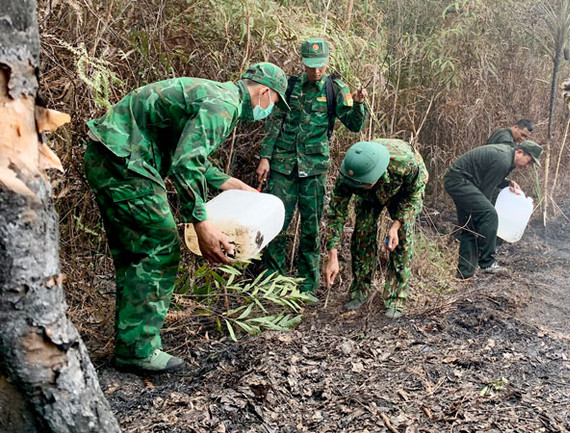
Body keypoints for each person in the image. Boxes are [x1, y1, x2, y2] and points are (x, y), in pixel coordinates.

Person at [84, 62, 289, 373]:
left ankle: (132, 344)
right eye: (274, 102)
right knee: (160, 247)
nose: (270, 110)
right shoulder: (224, 106)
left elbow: (185, 153)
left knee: (136, 252)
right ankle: (138, 350)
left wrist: (231, 183)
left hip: (111, 155)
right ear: (264, 91)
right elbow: (185, 165)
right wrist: (201, 223)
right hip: (127, 163)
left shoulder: (218, 95)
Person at [256, 38, 368, 298]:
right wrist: (265, 157)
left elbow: (353, 124)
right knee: (276, 223)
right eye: (310, 66)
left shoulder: (337, 89)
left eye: (319, 66)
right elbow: (275, 120)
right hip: (283, 165)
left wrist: (359, 103)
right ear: (302, 62)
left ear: (327, 62)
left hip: (314, 168)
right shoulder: (290, 86)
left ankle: (307, 285)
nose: (315, 71)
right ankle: (272, 282)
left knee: (310, 226)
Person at [323, 139, 428, 319]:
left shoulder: (406, 163)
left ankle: (396, 297)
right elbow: (336, 213)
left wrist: (396, 225)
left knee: (402, 238)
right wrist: (332, 254)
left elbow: (414, 197)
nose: (358, 188)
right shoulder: (349, 173)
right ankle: (360, 291)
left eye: (363, 184)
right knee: (362, 234)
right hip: (370, 197)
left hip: (401, 191)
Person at [444, 140, 543, 279]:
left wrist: (508, 183)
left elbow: (488, 177)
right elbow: (486, 191)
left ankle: (464, 275)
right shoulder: (503, 160)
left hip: (460, 181)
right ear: (520, 152)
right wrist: (486, 225)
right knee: (489, 213)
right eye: (529, 161)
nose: (528, 166)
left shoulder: (506, 157)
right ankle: (488, 263)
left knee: (469, 228)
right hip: (460, 182)